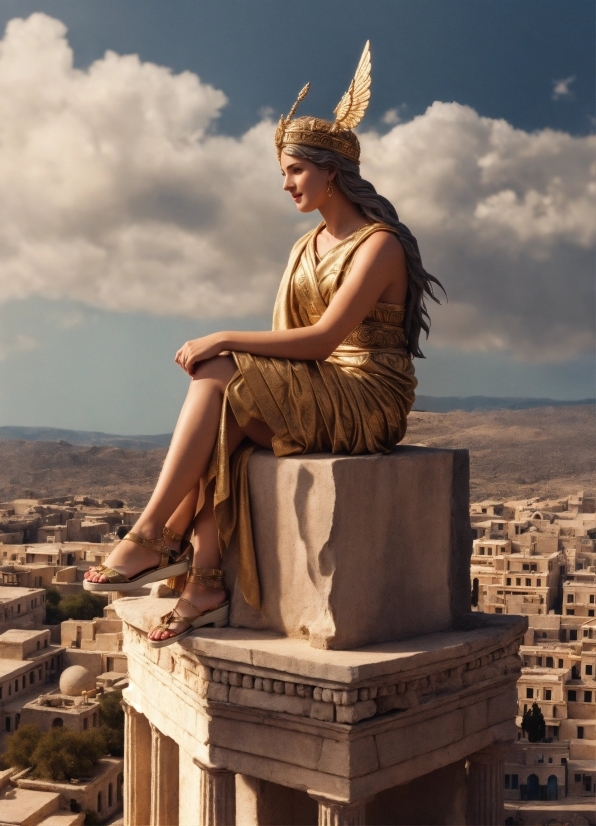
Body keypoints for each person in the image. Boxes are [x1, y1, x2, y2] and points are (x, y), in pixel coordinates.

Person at [83, 43, 444, 648]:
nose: (286, 185)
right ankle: (201, 581)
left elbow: (325, 339)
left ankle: (154, 536)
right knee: (227, 404)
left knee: (220, 369)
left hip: (366, 394)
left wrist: (222, 334)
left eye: (295, 171)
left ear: (333, 170)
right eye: (284, 173)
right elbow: (283, 343)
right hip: (318, 383)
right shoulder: (304, 248)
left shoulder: (378, 244)